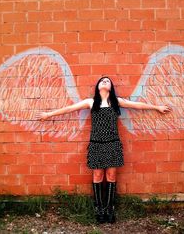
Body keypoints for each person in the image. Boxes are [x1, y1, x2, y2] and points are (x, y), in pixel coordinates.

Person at [35, 76, 171, 224]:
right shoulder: (91, 102)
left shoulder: (116, 101)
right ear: (98, 86)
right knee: (98, 175)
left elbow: (137, 105)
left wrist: (156, 107)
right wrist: (48, 115)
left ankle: (109, 208)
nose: (105, 82)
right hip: (96, 144)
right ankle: (99, 208)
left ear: (111, 87)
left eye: (108, 81)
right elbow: (69, 109)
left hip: (112, 143)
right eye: (102, 80)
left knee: (111, 175)